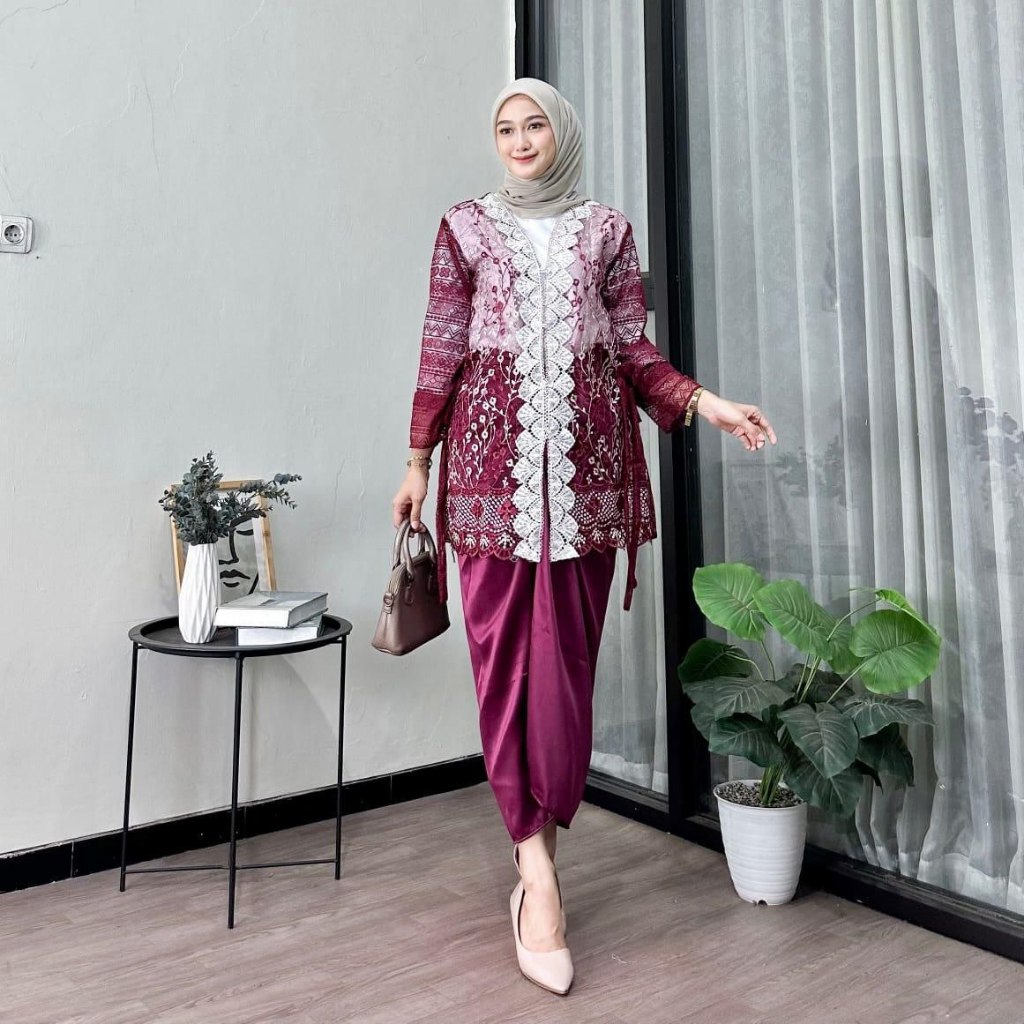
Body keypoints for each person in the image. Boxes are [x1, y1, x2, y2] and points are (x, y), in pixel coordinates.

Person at [392, 77, 776, 996]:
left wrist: (706, 403)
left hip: (587, 487)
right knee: (503, 675)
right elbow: (442, 345)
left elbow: (634, 350)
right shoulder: (464, 229)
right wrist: (416, 463)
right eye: (506, 128)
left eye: (535, 125)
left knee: (562, 678)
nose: (521, 140)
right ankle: (539, 881)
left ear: (560, 134)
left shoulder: (607, 231)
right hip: (489, 486)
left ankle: (538, 864)